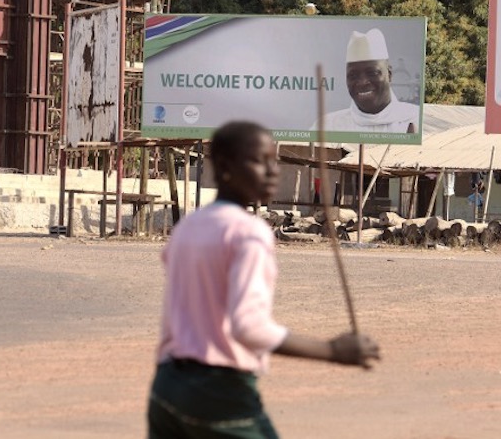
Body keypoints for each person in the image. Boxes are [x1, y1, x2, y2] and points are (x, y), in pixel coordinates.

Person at [147, 121, 380, 438]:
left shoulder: (190, 226)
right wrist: (333, 351)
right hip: (219, 392)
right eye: (259, 161)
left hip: (167, 387)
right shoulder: (249, 232)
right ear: (226, 167)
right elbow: (248, 326)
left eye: (275, 161)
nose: (273, 171)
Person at [311, 28, 419, 133]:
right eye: (353, 75)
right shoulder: (328, 127)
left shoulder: (415, 119)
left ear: (389, 74)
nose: (363, 82)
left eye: (372, 73)